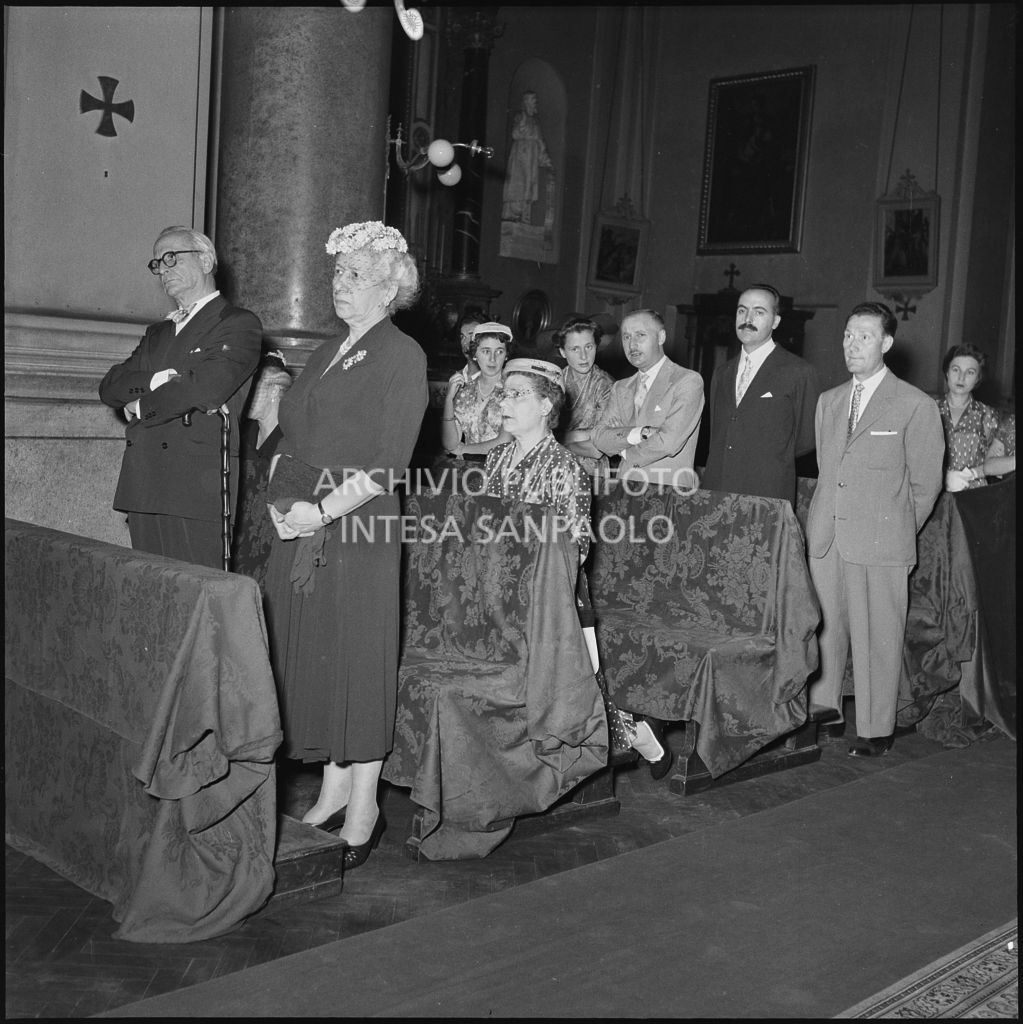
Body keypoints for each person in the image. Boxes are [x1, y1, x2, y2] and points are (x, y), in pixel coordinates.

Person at [261, 221, 428, 870]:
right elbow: (292, 433)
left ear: (389, 289)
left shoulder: (401, 355)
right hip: (303, 519)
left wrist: (322, 511)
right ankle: (332, 790)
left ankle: (364, 807)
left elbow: (389, 462)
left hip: (358, 525)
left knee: (357, 658)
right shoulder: (330, 348)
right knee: (320, 655)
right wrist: (281, 505)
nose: (341, 283)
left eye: (356, 274)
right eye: (338, 272)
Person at [806, 301, 944, 756]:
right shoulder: (829, 401)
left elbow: (925, 486)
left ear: (885, 343)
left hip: (881, 540)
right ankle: (826, 711)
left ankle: (875, 728)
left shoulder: (915, 404)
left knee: (877, 638)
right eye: (848, 335)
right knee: (826, 632)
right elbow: (830, 471)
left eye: (864, 336)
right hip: (827, 537)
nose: (852, 345)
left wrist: (895, 531)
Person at [98, 226, 262, 568]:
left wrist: (140, 405)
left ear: (206, 261)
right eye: (158, 263)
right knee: (148, 590)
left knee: (197, 590)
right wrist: (158, 379)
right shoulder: (157, 332)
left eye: (172, 257)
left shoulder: (236, 323)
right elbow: (111, 386)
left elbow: (202, 388)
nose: (163, 269)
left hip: (194, 488)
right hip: (144, 483)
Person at [701, 284, 820, 505]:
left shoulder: (799, 372)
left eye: (759, 312)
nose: (747, 319)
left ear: (775, 321)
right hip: (717, 490)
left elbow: (807, 439)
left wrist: (767, 457)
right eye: (742, 310)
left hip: (766, 493)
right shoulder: (722, 372)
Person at [591, 308, 704, 487]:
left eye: (640, 335)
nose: (632, 344)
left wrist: (623, 449)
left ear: (661, 337)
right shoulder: (621, 387)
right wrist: (641, 433)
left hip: (668, 491)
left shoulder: (687, 381)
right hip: (625, 489)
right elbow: (599, 437)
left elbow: (668, 442)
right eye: (626, 337)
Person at [230, 352, 293, 586]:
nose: (245, 395)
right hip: (238, 538)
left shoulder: (290, 437)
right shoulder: (239, 433)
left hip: (272, 542)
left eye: (253, 388)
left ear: (275, 390)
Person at [556, 315, 616, 479]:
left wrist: (559, 439)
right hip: (553, 468)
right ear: (562, 352)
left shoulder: (606, 385)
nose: (584, 356)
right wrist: (579, 436)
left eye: (588, 347)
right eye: (575, 349)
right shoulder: (553, 382)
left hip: (591, 473)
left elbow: (597, 449)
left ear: (596, 346)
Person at [441, 322, 513, 458]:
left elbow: (505, 442)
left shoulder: (513, 389)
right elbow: (450, 444)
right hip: (470, 467)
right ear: (475, 354)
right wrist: (449, 400)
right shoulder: (465, 391)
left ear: (506, 355)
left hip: (504, 466)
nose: (492, 359)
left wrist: (463, 449)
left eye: (499, 351)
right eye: (486, 351)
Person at [937, 344, 1000, 492]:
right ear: (947, 372)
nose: (961, 377)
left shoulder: (988, 415)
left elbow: (997, 462)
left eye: (970, 372)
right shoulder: (929, 409)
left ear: (978, 378)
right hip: (935, 492)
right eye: (956, 370)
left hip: (974, 495)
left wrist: (973, 474)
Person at [501, 90, 554, 224]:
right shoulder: (520, 117)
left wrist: (546, 160)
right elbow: (515, 133)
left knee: (528, 187)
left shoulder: (535, 123)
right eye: (532, 100)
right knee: (517, 184)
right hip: (520, 157)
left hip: (531, 159)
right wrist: (524, 119)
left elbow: (540, 142)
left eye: (535, 101)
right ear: (526, 102)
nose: (535, 103)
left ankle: (524, 216)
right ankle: (511, 214)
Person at [449, 306, 486, 387]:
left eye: (472, 336)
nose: (465, 343)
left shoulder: (493, 380)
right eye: (462, 337)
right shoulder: (456, 378)